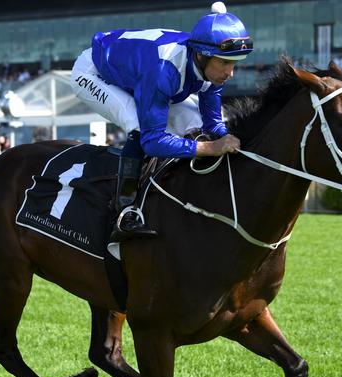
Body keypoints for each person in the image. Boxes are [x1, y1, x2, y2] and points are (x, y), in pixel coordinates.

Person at [70, 1, 252, 241]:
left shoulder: (207, 66)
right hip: (92, 73)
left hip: (138, 74)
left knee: (194, 121)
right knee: (138, 125)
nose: (230, 73)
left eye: (234, 64)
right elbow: (152, 142)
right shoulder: (165, 71)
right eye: (225, 63)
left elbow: (212, 125)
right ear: (201, 55)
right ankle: (124, 210)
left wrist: (233, 139)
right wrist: (210, 148)